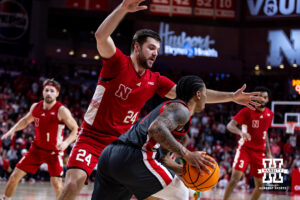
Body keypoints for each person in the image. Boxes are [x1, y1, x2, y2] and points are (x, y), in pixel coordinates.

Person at [58, 1, 262, 199]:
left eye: (157, 49)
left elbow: (195, 94)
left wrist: (232, 97)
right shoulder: (117, 63)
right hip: (92, 136)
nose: (155, 53)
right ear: (136, 47)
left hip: (123, 143)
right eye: (151, 48)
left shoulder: (155, 80)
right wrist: (122, 9)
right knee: (73, 183)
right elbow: (101, 36)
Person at [91, 75, 217, 200]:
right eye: (206, 94)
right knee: (180, 193)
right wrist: (187, 154)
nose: (206, 98)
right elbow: (156, 129)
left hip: (111, 155)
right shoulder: (182, 110)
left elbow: (163, 160)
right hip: (135, 157)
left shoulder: (171, 110)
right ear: (198, 94)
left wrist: (186, 171)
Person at [1, 79, 78, 199]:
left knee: (57, 184)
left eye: (52, 91)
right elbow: (25, 120)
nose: (49, 93)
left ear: (57, 93)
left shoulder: (61, 110)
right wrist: (13, 129)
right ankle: (5, 198)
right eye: (46, 90)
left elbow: (75, 129)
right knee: (14, 176)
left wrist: (66, 142)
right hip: (36, 150)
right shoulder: (36, 107)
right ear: (42, 92)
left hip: (54, 152)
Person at [223, 86, 274, 200]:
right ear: (255, 98)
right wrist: (240, 133)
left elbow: (265, 134)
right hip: (245, 149)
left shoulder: (270, 114)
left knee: (260, 186)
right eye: (260, 97)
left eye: (264, 97)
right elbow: (230, 125)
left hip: (260, 152)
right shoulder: (247, 111)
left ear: (267, 100)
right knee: (235, 179)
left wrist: (269, 153)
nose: (262, 99)